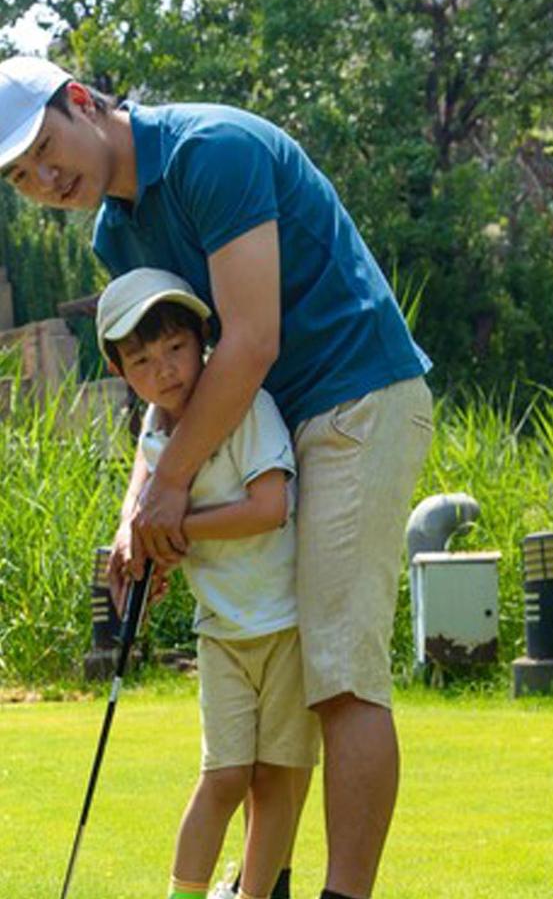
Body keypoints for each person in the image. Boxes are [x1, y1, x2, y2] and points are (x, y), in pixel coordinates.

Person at [0, 55, 434, 899]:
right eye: (21, 176)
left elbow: (251, 340)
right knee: (287, 667)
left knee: (338, 673)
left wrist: (173, 491)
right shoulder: (115, 234)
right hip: (263, 424)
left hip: (356, 399)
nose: (45, 180)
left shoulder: (211, 151)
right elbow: (165, 391)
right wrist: (139, 516)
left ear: (81, 101)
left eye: (46, 149)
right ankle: (262, 882)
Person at [96, 267, 320, 899]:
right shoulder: (156, 435)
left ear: (203, 339)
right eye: (141, 360)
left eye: (175, 347)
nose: (164, 370)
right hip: (221, 633)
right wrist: (147, 549)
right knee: (222, 778)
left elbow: (269, 507)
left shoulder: (248, 408)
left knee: (275, 779)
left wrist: (174, 530)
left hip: (285, 625)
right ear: (119, 371)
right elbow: (152, 512)